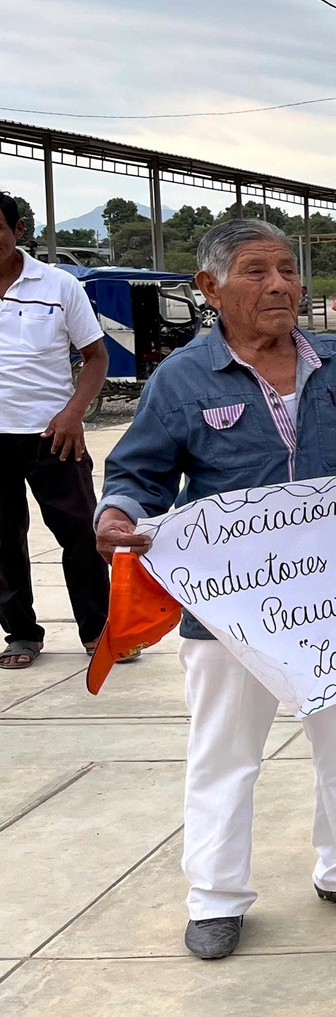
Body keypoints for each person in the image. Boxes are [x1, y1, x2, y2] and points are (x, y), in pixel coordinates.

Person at [94, 218, 336, 960]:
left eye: (287, 270)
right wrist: (118, 513)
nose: (278, 285)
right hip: (227, 612)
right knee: (224, 754)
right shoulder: (183, 378)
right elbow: (137, 475)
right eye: (255, 271)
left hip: (332, 602)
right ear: (209, 288)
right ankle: (215, 898)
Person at [0, 189, 111, 671]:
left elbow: (96, 357)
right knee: (2, 540)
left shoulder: (60, 284)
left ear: (17, 231)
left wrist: (73, 414)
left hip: (54, 434)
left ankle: (99, 631)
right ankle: (21, 635)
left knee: (81, 534)